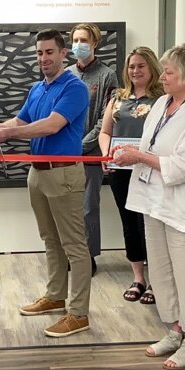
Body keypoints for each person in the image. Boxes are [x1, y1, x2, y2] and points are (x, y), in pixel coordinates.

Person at [112, 43, 185, 370]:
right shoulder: (161, 103)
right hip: (155, 203)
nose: (164, 77)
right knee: (161, 273)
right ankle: (174, 331)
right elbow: (149, 144)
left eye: (170, 72)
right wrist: (129, 154)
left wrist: (139, 157)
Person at [0, 29, 92, 338]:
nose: (44, 58)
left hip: (64, 174)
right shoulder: (37, 88)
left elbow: (51, 125)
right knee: (51, 239)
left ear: (63, 54)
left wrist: (8, 134)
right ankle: (56, 296)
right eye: (39, 53)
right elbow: (20, 122)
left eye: (49, 52)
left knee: (74, 245)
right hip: (38, 173)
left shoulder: (75, 88)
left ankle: (79, 313)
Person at [98, 47, 163, 304]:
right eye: (131, 66)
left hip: (148, 169)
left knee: (148, 224)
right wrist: (106, 154)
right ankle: (138, 278)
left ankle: (157, 281)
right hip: (120, 170)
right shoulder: (117, 97)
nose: (135, 71)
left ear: (152, 69)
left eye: (140, 66)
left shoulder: (162, 99)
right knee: (128, 222)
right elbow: (105, 131)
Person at [68, 23, 118, 276]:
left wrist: (82, 145)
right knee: (68, 207)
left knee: (88, 207)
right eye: (75, 39)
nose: (78, 44)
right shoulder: (66, 74)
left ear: (95, 43)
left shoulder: (107, 75)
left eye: (84, 39)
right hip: (65, 154)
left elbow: (105, 119)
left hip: (89, 153)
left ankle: (88, 256)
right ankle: (71, 254)